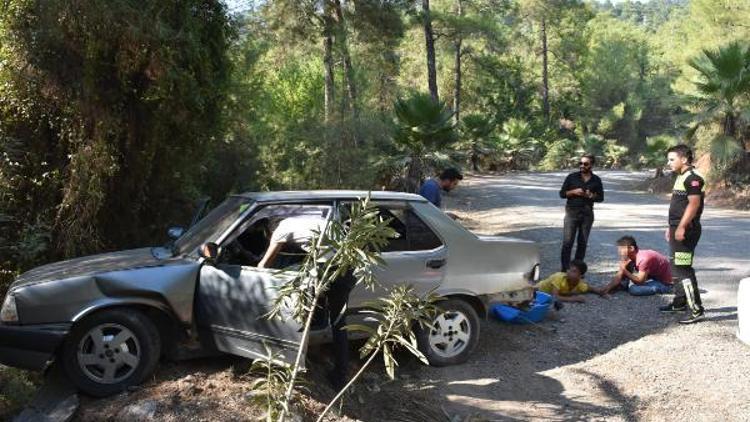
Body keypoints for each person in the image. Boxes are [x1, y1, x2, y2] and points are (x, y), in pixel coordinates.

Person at [258, 213, 355, 389]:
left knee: (300, 313)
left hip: (327, 269)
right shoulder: (305, 221)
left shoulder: (281, 229)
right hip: (347, 269)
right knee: (339, 324)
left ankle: (293, 366)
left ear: (272, 227)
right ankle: (340, 377)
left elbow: (264, 265)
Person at [660, 144, 705, 324]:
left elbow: (693, 204)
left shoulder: (693, 178)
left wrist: (681, 227)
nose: (669, 162)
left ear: (684, 159)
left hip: (686, 230)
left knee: (683, 268)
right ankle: (679, 303)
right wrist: (671, 227)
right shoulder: (681, 177)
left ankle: (696, 309)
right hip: (677, 227)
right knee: (676, 265)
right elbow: (679, 205)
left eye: (672, 159)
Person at [559, 154, 604, 271]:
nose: (582, 166)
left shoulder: (596, 180)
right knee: (567, 242)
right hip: (572, 213)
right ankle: (565, 270)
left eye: (585, 164)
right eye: (580, 163)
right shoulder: (571, 177)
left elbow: (600, 198)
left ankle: (577, 271)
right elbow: (562, 194)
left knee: (582, 243)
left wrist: (591, 195)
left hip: (587, 214)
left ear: (592, 165)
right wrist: (574, 191)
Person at [602, 235, 673, 296]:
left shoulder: (644, 258)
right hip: (654, 277)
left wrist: (624, 270)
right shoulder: (630, 257)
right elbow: (619, 275)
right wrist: (608, 288)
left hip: (666, 283)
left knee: (634, 289)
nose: (619, 252)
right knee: (628, 277)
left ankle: (667, 289)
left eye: (621, 249)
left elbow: (640, 281)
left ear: (631, 248)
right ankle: (621, 286)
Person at [535, 259, 605, 303]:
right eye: (569, 269)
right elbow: (555, 297)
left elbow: (589, 288)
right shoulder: (559, 277)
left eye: (574, 271)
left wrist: (600, 292)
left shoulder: (579, 284)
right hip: (537, 290)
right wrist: (574, 299)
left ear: (580, 276)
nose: (568, 272)